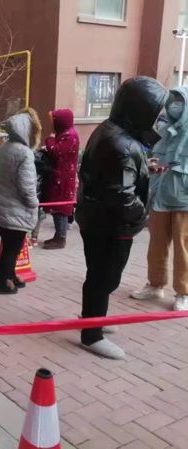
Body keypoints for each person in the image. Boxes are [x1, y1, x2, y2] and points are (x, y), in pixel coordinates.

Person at [76, 76, 167, 360]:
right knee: (105, 277)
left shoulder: (111, 131)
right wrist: (144, 216)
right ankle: (91, 334)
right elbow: (122, 196)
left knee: (99, 275)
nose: (159, 118)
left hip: (97, 219)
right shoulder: (121, 144)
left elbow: (114, 176)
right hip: (110, 224)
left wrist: (144, 167)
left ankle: (93, 317)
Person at [131, 87, 188, 311]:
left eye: (179, 101)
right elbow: (151, 154)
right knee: (156, 243)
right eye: (172, 101)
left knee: (183, 246)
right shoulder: (163, 130)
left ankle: (184, 292)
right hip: (160, 195)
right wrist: (151, 166)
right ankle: (155, 284)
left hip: (184, 199)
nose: (174, 105)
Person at [0, 108, 41, 294]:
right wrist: (34, 204)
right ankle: (0, 282)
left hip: (1, 206)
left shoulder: (4, 147)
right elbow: (27, 186)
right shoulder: (25, 153)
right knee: (12, 247)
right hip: (15, 209)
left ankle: (9, 275)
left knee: (11, 245)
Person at [42, 109, 80, 249]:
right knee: (57, 207)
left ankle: (60, 238)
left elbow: (57, 152)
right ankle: (58, 236)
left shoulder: (69, 136)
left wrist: (50, 140)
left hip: (63, 179)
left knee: (61, 208)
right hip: (60, 177)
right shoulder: (65, 134)